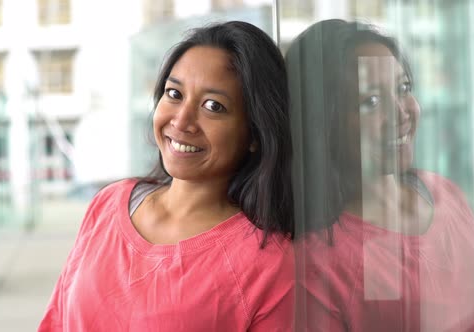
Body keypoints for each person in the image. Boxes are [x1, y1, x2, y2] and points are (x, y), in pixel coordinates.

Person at [38, 21, 295, 331]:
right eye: (174, 93)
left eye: (213, 106)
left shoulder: (267, 262)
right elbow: (55, 321)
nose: (182, 120)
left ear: (255, 132)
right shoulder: (109, 203)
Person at [286, 19, 474, 331]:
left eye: (403, 88)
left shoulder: (445, 193)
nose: (401, 112)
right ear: (324, 123)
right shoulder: (317, 260)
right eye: (370, 101)